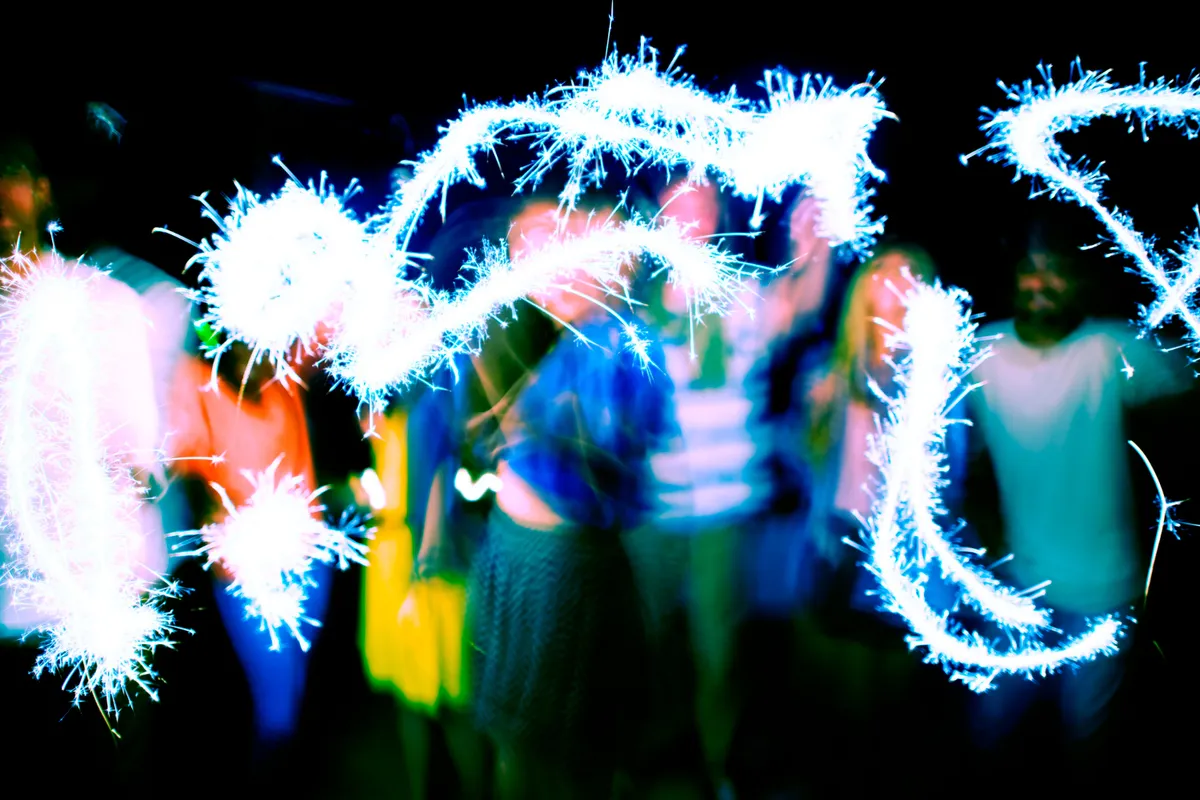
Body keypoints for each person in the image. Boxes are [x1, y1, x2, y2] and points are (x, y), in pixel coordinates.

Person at [467, 195, 676, 799]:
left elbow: (618, 476)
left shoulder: (624, 343)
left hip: (559, 568)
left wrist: (530, 435)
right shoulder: (564, 334)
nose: (554, 263)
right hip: (523, 554)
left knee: (555, 740)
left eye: (578, 249)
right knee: (524, 731)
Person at [966, 221, 1191, 763]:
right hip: (1017, 587)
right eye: (1030, 270)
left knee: (1087, 742)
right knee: (989, 729)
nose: (1041, 283)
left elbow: (1188, 386)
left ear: (1080, 284)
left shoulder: (1111, 349)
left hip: (1105, 590)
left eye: (1057, 272)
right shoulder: (981, 352)